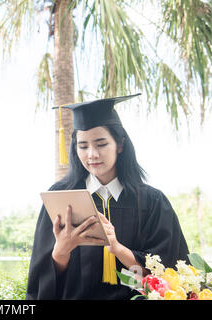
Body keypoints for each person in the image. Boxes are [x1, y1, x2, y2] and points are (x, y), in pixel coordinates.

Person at [26, 94, 189, 300]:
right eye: (83, 146)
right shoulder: (60, 197)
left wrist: (118, 249)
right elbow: (42, 282)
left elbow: (168, 275)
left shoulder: (152, 202)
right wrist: (61, 251)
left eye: (101, 144)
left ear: (120, 145)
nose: (92, 154)